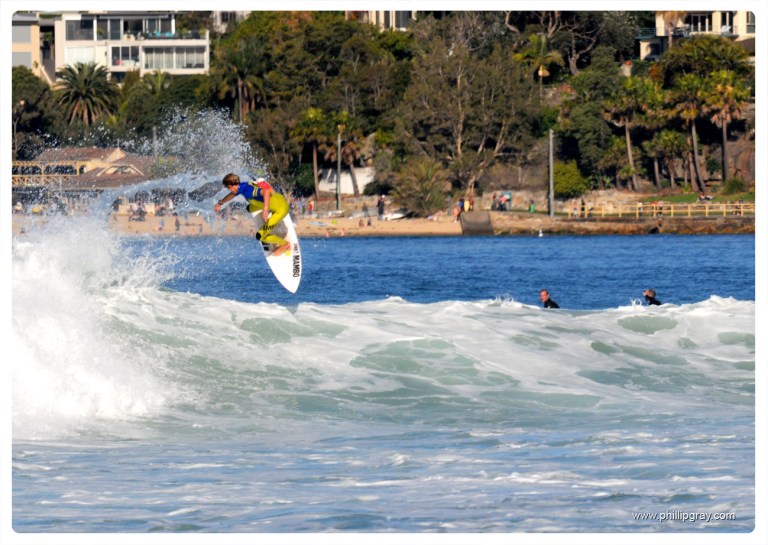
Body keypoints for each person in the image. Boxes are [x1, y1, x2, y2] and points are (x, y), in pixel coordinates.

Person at [214, 173, 291, 256]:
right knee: (249, 208)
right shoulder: (242, 186)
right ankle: (267, 212)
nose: (228, 189)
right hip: (279, 199)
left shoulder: (248, 192)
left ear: (232, 186)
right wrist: (220, 203)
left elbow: (266, 191)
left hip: (280, 210)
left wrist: (265, 210)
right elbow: (232, 195)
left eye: (228, 187)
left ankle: (285, 244)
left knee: (260, 237)